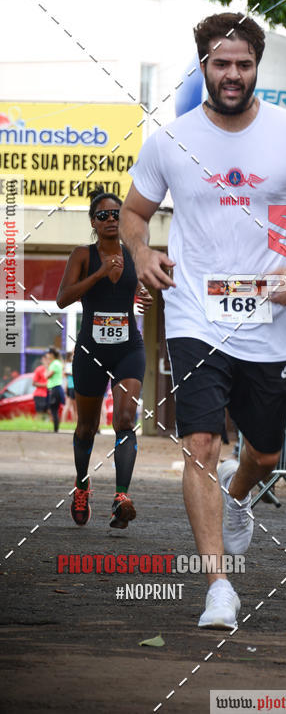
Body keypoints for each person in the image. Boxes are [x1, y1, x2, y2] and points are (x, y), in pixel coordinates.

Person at [120, 12, 286, 629]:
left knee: (267, 454)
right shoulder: (171, 140)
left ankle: (238, 492)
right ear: (204, 68)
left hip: (273, 319)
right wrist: (142, 253)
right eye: (222, 64)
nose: (233, 74)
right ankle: (218, 586)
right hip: (197, 312)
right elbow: (135, 213)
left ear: (256, 67)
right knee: (199, 442)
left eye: (243, 64)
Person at [57, 189, 151, 529]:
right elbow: (62, 299)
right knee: (87, 427)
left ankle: (121, 496)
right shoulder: (83, 255)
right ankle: (82, 484)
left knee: (125, 419)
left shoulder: (133, 254)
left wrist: (143, 292)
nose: (111, 220)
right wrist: (97, 275)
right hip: (90, 352)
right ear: (93, 223)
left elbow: (140, 287)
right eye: (103, 216)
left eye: (116, 215)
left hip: (128, 347)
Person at [46, 348, 65, 433]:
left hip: (55, 389)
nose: (47, 355)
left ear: (52, 355)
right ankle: (56, 427)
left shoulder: (54, 363)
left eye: (49, 353)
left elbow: (48, 375)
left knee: (53, 409)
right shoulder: (57, 363)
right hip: (55, 389)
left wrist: (47, 367)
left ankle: (56, 429)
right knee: (54, 409)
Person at [32, 353, 49, 417]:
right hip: (40, 395)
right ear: (42, 360)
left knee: (48, 413)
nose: (46, 361)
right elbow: (34, 383)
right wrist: (45, 385)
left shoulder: (52, 369)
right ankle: (36, 426)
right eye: (45, 359)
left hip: (48, 394)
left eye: (48, 359)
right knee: (40, 413)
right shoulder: (39, 369)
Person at [62, 350, 76, 422]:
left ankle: (65, 421)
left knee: (69, 406)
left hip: (69, 386)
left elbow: (65, 374)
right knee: (74, 407)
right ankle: (74, 422)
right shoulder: (71, 364)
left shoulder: (67, 364)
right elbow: (68, 374)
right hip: (73, 386)